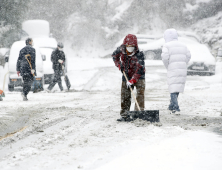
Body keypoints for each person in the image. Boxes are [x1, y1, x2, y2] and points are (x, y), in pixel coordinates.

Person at [112, 34, 145, 122]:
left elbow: (139, 69)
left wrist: (133, 80)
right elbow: (114, 56)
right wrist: (119, 65)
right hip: (126, 73)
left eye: (132, 47)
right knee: (125, 95)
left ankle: (138, 115)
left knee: (140, 94)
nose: (129, 49)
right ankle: (124, 115)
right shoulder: (121, 50)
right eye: (128, 47)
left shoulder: (139, 54)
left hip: (139, 75)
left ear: (135, 46)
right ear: (125, 45)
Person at [161, 28, 191, 114]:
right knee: (177, 87)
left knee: (173, 88)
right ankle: (171, 105)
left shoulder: (167, 45)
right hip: (182, 68)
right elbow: (188, 56)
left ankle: (175, 107)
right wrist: (183, 63)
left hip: (172, 68)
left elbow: (165, 58)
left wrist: (168, 66)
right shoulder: (183, 45)